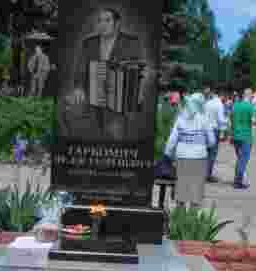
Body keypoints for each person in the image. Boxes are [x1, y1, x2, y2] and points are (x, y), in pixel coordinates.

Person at [65, 7, 152, 140]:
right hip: (91, 94)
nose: (102, 24)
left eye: (107, 20)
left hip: (119, 98)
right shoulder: (89, 42)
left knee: (115, 131)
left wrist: (136, 90)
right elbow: (80, 69)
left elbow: (140, 69)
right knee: (68, 109)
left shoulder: (132, 42)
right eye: (100, 21)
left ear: (117, 24)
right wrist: (78, 87)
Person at [164, 93, 215, 207]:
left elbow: (172, 141)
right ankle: (192, 220)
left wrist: (167, 155)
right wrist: (202, 144)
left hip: (182, 157)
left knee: (182, 192)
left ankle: (180, 218)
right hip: (199, 158)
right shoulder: (204, 119)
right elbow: (212, 141)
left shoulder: (181, 119)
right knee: (195, 193)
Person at [230, 89, 256, 190]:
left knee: (239, 158)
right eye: (251, 96)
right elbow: (253, 121)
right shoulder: (250, 106)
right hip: (246, 136)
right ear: (248, 95)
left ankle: (238, 179)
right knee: (243, 159)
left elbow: (231, 119)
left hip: (236, 135)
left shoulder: (235, 105)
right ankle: (238, 181)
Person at [202, 85, 227, 182]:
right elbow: (221, 120)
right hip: (214, 130)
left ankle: (202, 173)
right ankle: (207, 175)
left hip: (204, 129)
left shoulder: (205, 102)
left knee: (204, 152)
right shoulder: (218, 103)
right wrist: (226, 122)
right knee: (212, 153)